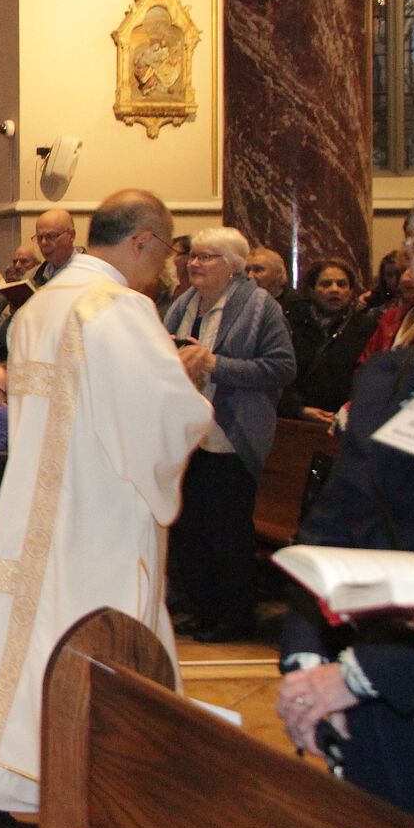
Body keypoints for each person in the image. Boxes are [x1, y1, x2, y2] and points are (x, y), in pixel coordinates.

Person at [0, 190, 211, 828]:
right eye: (164, 252)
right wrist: (188, 378)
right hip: (94, 518)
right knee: (90, 653)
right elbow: (157, 418)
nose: (163, 269)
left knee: (34, 654)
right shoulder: (118, 309)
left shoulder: (42, 305)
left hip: (33, 511)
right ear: (142, 241)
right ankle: (33, 795)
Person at [275, 191, 414, 820]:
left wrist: (361, 675)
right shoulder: (389, 379)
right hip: (371, 706)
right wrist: (306, 661)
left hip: (387, 675)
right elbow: (331, 528)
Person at [162, 227, 297, 642]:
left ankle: (234, 617)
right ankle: (203, 610)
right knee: (189, 529)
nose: (195, 263)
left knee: (225, 531)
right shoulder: (183, 304)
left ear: (234, 266)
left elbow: (281, 367)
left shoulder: (259, 307)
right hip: (186, 434)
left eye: (206, 257)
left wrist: (214, 364)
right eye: (193, 256)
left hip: (231, 434)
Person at [283, 259, 374, 424]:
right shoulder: (292, 323)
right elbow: (279, 373)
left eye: (342, 284)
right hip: (296, 418)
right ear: (311, 290)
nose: (334, 289)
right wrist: (297, 409)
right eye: (326, 284)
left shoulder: (365, 327)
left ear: (351, 291)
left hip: (344, 420)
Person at [245, 246, 303, 315]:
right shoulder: (242, 302)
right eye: (247, 271)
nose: (250, 276)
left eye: (257, 270)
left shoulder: (298, 306)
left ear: (278, 272)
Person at [29, 209, 76, 286]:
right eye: (39, 237)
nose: (44, 243)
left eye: (51, 236)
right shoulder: (33, 276)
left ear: (71, 235)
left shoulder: (88, 273)